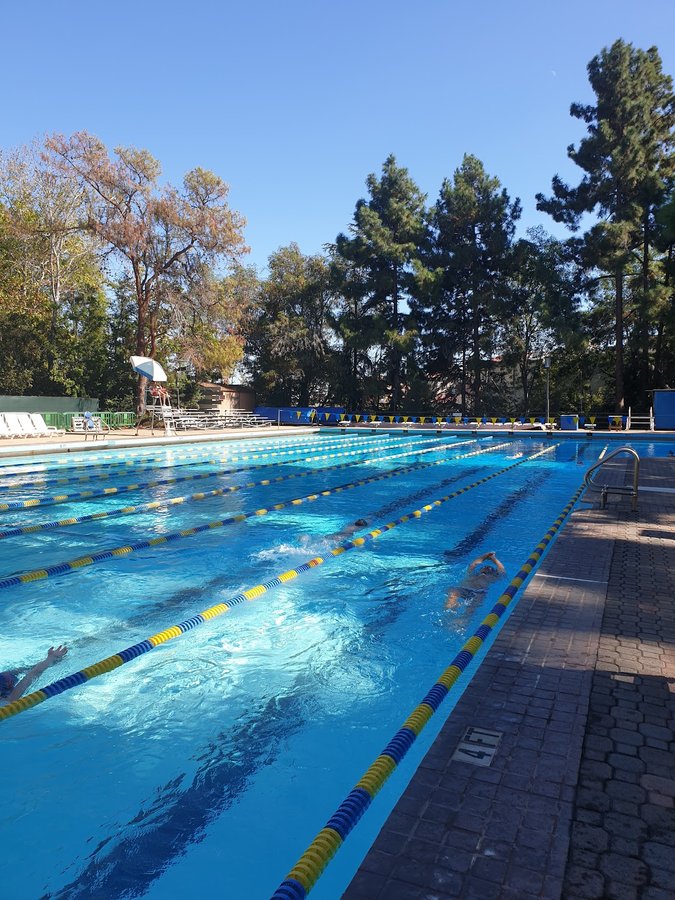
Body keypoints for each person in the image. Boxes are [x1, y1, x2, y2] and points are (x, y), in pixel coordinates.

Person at [0, 645, 68, 706]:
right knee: (28, 669)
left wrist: (50, 659)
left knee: (31, 669)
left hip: (7, 680)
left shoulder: (8, 699)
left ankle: (57, 656)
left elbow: (33, 674)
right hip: (5, 680)